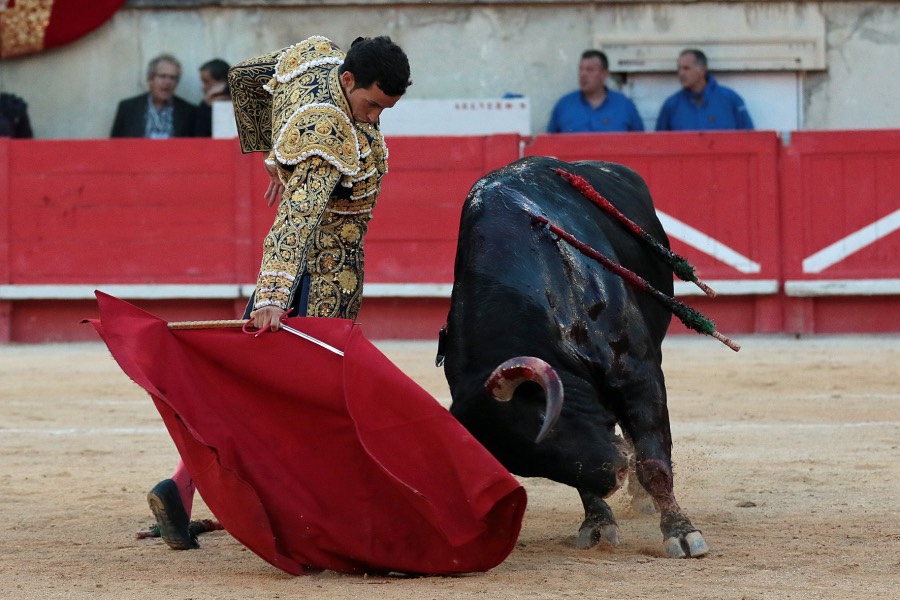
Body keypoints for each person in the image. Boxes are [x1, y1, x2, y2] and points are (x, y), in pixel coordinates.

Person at [145, 35, 412, 550]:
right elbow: (296, 220)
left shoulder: (316, 56)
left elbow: (245, 78)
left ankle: (180, 490)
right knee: (320, 399)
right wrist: (272, 295)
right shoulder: (329, 132)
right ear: (349, 80)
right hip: (325, 276)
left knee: (240, 389)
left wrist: (276, 157)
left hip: (291, 275)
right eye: (372, 104)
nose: (375, 117)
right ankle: (314, 514)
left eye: (385, 109)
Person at [655, 48, 754, 131]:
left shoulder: (730, 100)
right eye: (679, 69)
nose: (681, 73)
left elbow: (749, 137)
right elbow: (659, 143)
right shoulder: (671, 105)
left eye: (686, 68)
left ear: (702, 70)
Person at [547, 49, 644, 133]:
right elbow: (548, 145)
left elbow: (641, 143)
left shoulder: (624, 106)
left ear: (604, 74)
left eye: (590, 70)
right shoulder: (564, 106)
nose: (583, 74)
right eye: (581, 69)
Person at [110, 54, 198, 138]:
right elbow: (115, 145)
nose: (168, 82)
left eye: (173, 78)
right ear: (150, 79)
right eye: (163, 76)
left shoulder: (189, 112)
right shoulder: (127, 108)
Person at [194, 58, 231, 137]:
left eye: (206, 81)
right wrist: (208, 105)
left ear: (222, 82)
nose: (203, 87)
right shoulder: (205, 105)